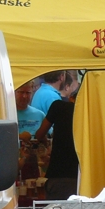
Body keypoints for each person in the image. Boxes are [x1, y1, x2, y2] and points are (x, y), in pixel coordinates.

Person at [36, 71, 80, 200]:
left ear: (71, 97)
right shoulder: (87, 112)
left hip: (58, 173)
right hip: (80, 174)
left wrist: (46, 143)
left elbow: (39, 134)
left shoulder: (58, 106)